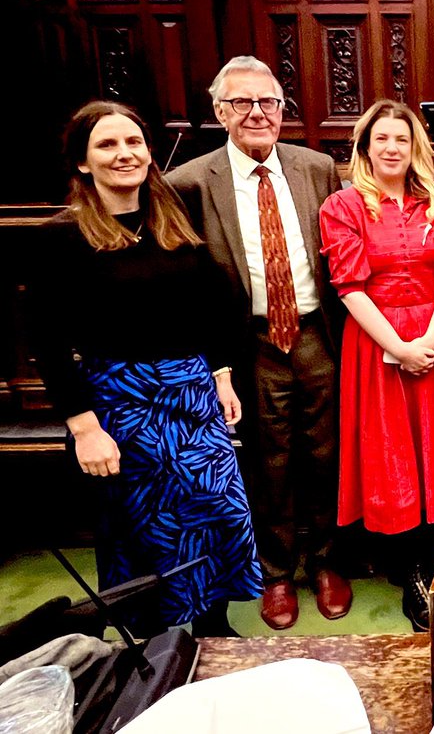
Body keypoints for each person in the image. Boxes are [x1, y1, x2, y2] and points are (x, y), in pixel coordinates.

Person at [31, 101, 261, 637]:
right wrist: (85, 429)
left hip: (192, 394)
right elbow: (46, 340)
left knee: (218, 515)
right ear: (83, 163)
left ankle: (212, 625)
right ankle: (166, 643)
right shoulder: (62, 236)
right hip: (121, 406)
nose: (124, 154)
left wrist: (220, 374)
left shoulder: (177, 211)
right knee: (152, 532)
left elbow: (212, 303)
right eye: (107, 145)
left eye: (133, 142)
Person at [167, 56, 351, 630]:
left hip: (316, 331)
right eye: (242, 103)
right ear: (220, 111)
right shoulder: (190, 182)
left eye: (268, 102)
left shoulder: (317, 167)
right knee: (269, 458)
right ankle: (275, 572)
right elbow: (183, 281)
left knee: (325, 451)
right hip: (249, 340)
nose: (257, 113)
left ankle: (324, 562)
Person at [319, 100, 434, 631]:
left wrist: (429, 340)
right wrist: (399, 346)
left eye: (402, 140)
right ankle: (405, 568)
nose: (392, 148)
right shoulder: (343, 206)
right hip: (375, 343)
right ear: (365, 146)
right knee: (391, 455)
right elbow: (349, 287)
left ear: (415, 149)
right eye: (382, 138)